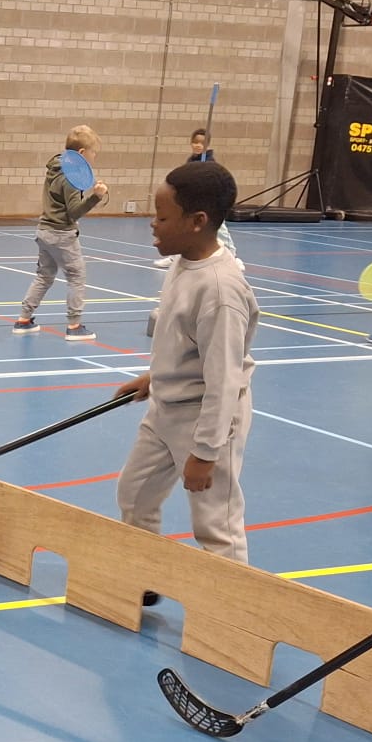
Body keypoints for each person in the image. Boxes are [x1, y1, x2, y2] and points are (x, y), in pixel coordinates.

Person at [115, 161, 257, 567]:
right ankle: (143, 582)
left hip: (206, 419)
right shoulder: (183, 262)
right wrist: (156, 376)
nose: (152, 224)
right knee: (135, 495)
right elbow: (184, 339)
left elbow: (224, 380)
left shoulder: (220, 291)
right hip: (165, 409)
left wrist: (207, 452)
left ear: (197, 221)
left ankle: (230, 603)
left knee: (216, 526)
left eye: (162, 217)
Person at [15, 125, 107, 341]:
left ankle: (23, 319)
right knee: (76, 276)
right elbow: (74, 212)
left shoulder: (55, 167)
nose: (94, 157)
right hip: (61, 234)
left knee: (44, 276)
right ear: (82, 153)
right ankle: (74, 325)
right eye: (93, 153)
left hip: (44, 230)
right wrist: (96, 196)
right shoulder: (72, 176)